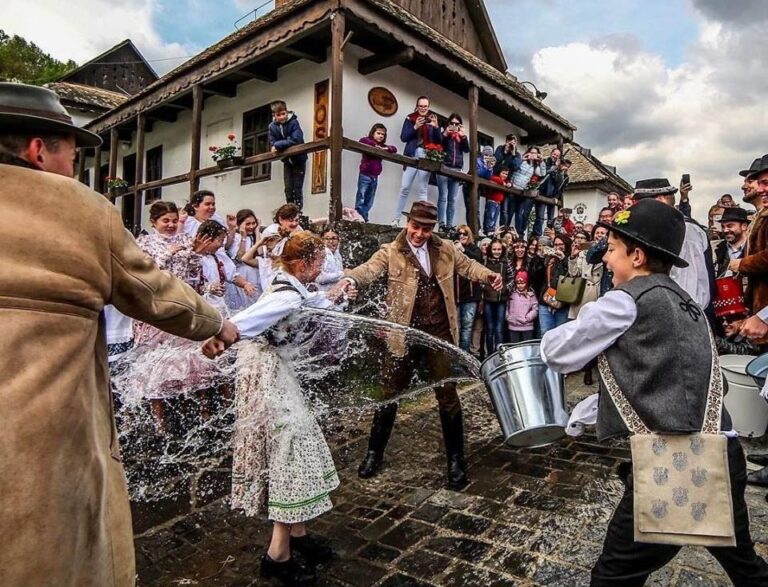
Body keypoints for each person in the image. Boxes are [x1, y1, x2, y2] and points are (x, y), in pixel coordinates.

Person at [0, 82, 239, 586]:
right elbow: (157, 293)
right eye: (72, 157)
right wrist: (219, 324)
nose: (73, 171)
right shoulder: (79, 210)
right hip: (38, 451)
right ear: (39, 150)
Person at [540, 198, 768, 586]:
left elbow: (556, 352)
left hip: (678, 464)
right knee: (746, 569)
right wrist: (592, 411)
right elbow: (664, 380)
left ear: (637, 256)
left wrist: (593, 312)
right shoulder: (684, 301)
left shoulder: (625, 301)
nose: (606, 259)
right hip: (722, 454)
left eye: (612, 250)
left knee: (614, 575)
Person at [203, 233, 352, 585]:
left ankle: (298, 535)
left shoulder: (291, 285)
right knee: (291, 453)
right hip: (268, 378)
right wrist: (221, 337)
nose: (322, 268)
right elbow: (251, 318)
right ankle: (277, 555)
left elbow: (314, 301)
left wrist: (339, 294)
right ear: (305, 263)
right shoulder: (285, 295)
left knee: (292, 448)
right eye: (319, 262)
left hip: (272, 373)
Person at [341, 201, 502, 489]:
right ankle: (374, 453)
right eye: (415, 227)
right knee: (389, 393)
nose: (419, 233)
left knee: (448, 395)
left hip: (439, 332)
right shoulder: (391, 251)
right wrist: (351, 279)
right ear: (408, 223)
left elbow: (468, 266)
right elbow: (368, 269)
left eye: (425, 229)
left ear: (432, 229)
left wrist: (488, 275)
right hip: (403, 334)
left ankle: (456, 460)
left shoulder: (446, 249)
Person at [633, 178, 714, 315]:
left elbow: (690, 285)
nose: (637, 209)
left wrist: (682, 316)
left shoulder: (686, 230)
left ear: (660, 200)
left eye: (641, 203)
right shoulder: (661, 229)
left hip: (686, 315)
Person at [392, 96, 442, 225]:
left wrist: (436, 128)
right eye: (420, 106)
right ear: (417, 106)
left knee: (422, 189)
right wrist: (415, 127)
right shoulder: (410, 118)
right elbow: (403, 137)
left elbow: (440, 141)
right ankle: (396, 219)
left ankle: (422, 221)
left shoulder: (432, 119)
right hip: (411, 153)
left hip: (426, 155)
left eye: (425, 106)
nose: (423, 109)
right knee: (404, 187)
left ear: (428, 107)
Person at [269, 100, 307, 208]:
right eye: (278, 115)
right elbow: (272, 142)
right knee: (288, 188)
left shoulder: (293, 122)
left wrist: (279, 145)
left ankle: (298, 210)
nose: (282, 117)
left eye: (283, 114)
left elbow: (296, 139)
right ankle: (290, 210)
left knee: (297, 187)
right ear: (274, 115)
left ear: (286, 112)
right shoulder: (272, 127)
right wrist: (283, 143)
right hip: (286, 160)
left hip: (299, 159)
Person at [356, 123, 398, 222]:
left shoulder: (383, 146)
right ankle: (359, 215)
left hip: (375, 176)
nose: (381, 136)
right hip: (365, 174)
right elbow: (362, 140)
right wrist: (375, 146)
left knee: (370, 199)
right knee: (361, 195)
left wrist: (386, 148)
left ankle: (364, 216)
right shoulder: (367, 141)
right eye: (378, 133)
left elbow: (394, 149)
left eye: (383, 134)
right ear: (373, 133)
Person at [437, 113, 470, 232]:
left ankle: (449, 225)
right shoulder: (444, 134)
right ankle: (441, 224)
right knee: (443, 197)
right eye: (452, 123)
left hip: (456, 169)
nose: (454, 126)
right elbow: (439, 143)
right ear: (448, 123)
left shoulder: (461, 137)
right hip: (444, 167)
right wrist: (446, 134)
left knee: (452, 199)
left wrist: (463, 136)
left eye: (457, 124)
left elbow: (467, 149)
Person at [453, 225, 484, 353]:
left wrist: (463, 250)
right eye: (459, 234)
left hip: (470, 296)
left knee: (467, 329)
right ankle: (455, 355)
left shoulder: (475, 249)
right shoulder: (453, 248)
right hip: (455, 295)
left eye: (465, 233)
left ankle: (464, 355)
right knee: (456, 328)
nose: (462, 236)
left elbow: (478, 261)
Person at [227, 208, 262, 309]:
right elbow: (240, 257)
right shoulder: (236, 237)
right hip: (243, 273)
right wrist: (243, 237)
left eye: (253, 223)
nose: (251, 226)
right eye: (248, 224)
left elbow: (260, 253)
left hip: (256, 273)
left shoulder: (257, 236)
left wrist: (257, 231)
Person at [507, 146, 546, 236]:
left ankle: (519, 233)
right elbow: (514, 166)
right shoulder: (522, 161)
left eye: (535, 153)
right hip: (513, 188)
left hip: (522, 191)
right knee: (510, 212)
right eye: (531, 152)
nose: (533, 155)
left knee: (520, 214)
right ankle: (505, 229)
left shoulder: (535, 166)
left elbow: (542, 173)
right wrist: (522, 159)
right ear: (528, 153)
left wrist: (542, 161)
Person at [538, 234, 572, 334]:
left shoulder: (571, 259)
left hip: (563, 302)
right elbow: (537, 276)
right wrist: (540, 259)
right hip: (546, 299)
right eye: (556, 244)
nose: (558, 247)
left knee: (560, 335)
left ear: (566, 245)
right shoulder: (549, 259)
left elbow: (571, 276)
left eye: (561, 244)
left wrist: (563, 260)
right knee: (545, 333)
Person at [483, 239, 509, 355]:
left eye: (499, 249)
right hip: (488, 299)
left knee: (499, 329)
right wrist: (485, 287)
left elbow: (512, 278)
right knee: (489, 329)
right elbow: (480, 278)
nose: (497, 251)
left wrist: (505, 288)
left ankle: (499, 355)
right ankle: (490, 354)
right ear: (490, 249)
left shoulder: (506, 262)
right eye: (494, 249)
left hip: (501, 299)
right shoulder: (485, 261)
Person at [463, 145, 495, 228]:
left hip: (477, 187)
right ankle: (472, 227)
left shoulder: (489, 164)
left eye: (490, 155)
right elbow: (477, 173)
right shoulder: (477, 161)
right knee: (471, 207)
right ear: (483, 154)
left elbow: (488, 177)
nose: (488, 157)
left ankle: (477, 228)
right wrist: (485, 167)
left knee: (476, 208)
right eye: (486, 154)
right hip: (468, 186)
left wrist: (489, 169)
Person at [714, 207, 748, 277]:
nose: (725, 230)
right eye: (723, 227)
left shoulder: (755, 248)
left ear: (744, 226)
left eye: (730, 226)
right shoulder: (716, 249)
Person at [506, 270, 538, 342]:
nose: (520, 285)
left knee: (526, 346)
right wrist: (508, 317)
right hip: (513, 326)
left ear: (526, 283)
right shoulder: (512, 294)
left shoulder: (531, 295)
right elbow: (507, 306)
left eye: (523, 283)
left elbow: (535, 309)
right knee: (514, 346)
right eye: (518, 283)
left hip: (527, 327)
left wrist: (528, 318)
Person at [484, 165, 509, 234]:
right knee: (490, 216)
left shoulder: (505, 182)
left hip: (498, 202)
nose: (505, 175)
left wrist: (508, 184)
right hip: (492, 201)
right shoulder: (495, 178)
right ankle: (488, 230)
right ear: (499, 172)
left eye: (506, 174)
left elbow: (510, 183)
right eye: (503, 173)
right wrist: (503, 183)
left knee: (495, 217)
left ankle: (492, 230)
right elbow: (493, 178)